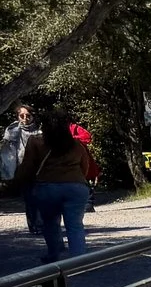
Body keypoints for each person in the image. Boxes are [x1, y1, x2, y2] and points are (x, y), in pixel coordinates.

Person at [10, 112, 98, 261]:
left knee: (50, 224)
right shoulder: (76, 144)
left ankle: (54, 256)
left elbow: (28, 166)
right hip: (76, 187)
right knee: (75, 225)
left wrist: (17, 181)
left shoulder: (36, 141)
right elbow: (85, 167)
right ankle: (79, 260)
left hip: (47, 187)